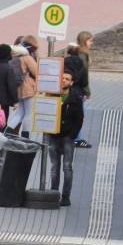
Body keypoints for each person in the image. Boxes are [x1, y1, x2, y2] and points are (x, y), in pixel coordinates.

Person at [46, 70, 84, 207]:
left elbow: (79, 118)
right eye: (62, 78)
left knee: (67, 167)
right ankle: (54, 193)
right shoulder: (52, 95)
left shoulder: (75, 98)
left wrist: (72, 134)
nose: (64, 80)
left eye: (67, 79)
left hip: (67, 137)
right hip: (54, 135)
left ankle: (66, 196)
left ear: (72, 82)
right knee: (54, 167)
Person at [64, 32, 93, 147]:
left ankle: (75, 137)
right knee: (79, 114)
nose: (92, 43)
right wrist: (87, 91)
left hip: (72, 88)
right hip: (78, 90)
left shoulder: (75, 55)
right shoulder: (82, 56)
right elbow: (83, 74)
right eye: (90, 40)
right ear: (84, 41)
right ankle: (77, 138)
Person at [7, 39, 39, 134]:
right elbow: (36, 72)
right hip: (28, 88)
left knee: (20, 112)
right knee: (29, 113)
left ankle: (8, 131)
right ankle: (26, 134)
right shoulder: (27, 58)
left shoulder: (12, 59)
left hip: (17, 88)